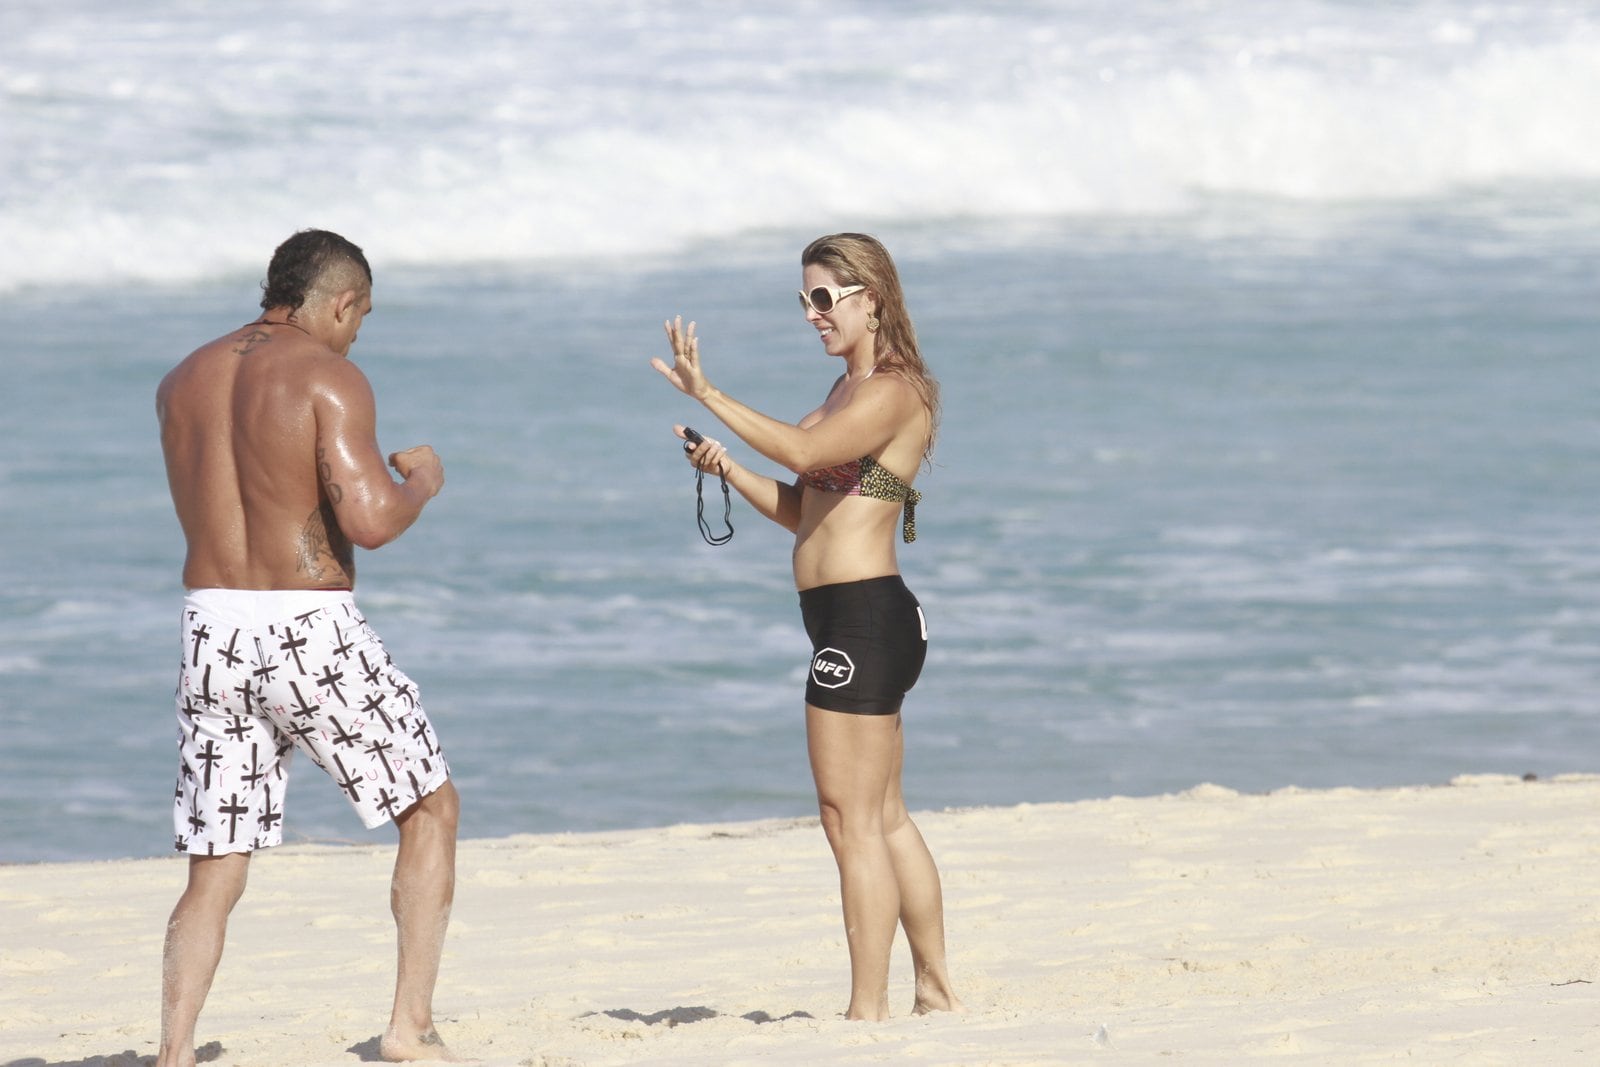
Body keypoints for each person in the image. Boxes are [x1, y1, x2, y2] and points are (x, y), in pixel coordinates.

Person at [153, 229, 460, 1066]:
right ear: (340, 302)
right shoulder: (329, 374)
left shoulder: (183, 379)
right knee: (429, 806)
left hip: (210, 625)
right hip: (306, 630)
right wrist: (423, 482)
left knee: (217, 860)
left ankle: (175, 1051)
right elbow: (370, 520)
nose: (358, 333)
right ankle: (410, 1028)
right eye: (360, 316)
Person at [651, 232, 963, 1021]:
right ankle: (935, 989)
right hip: (848, 619)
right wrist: (727, 468)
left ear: (873, 299)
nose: (813, 313)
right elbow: (805, 509)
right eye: (804, 300)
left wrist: (708, 392)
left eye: (825, 298)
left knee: (846, 816)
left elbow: (806, 449)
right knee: (882, 815)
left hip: (864, 619)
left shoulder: (895, 392)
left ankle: (868, 1010)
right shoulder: (838, 394)